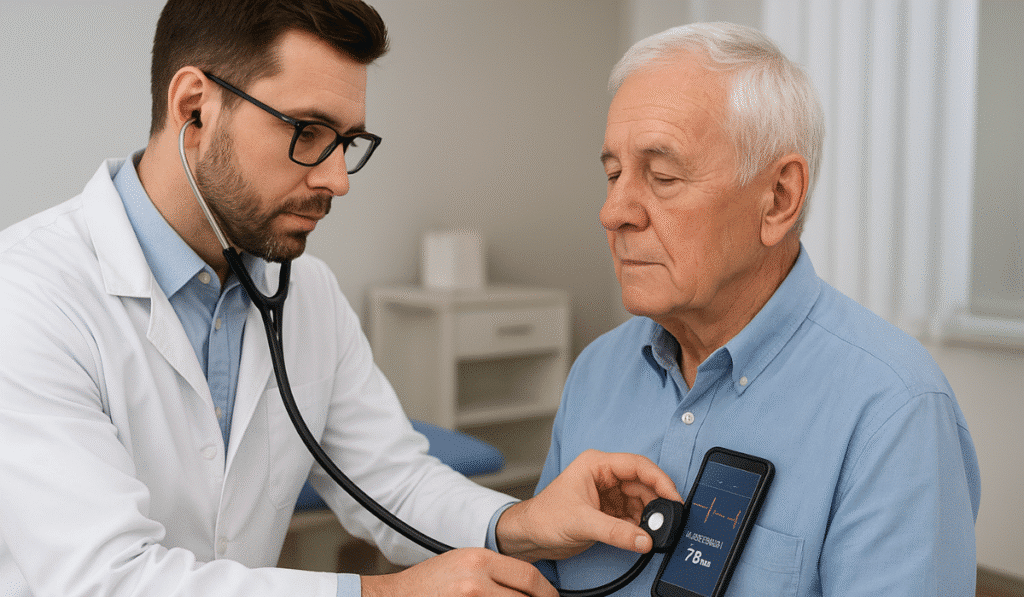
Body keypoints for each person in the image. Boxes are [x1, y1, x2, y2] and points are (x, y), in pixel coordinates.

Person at [0, 2, 683, 596]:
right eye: (306, 133)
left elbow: (392, 481)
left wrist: (522, 521)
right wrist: (386, 592)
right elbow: (108, 579)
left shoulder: (305, 294)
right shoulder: (31, 294)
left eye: (347, 142)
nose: (337, 179)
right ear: (194, 107)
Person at [534, 22, 981, 596]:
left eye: (662, 176)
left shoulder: (895, 412)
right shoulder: (596, 373)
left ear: (778, 199)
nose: (614, 210)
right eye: (613, 174)